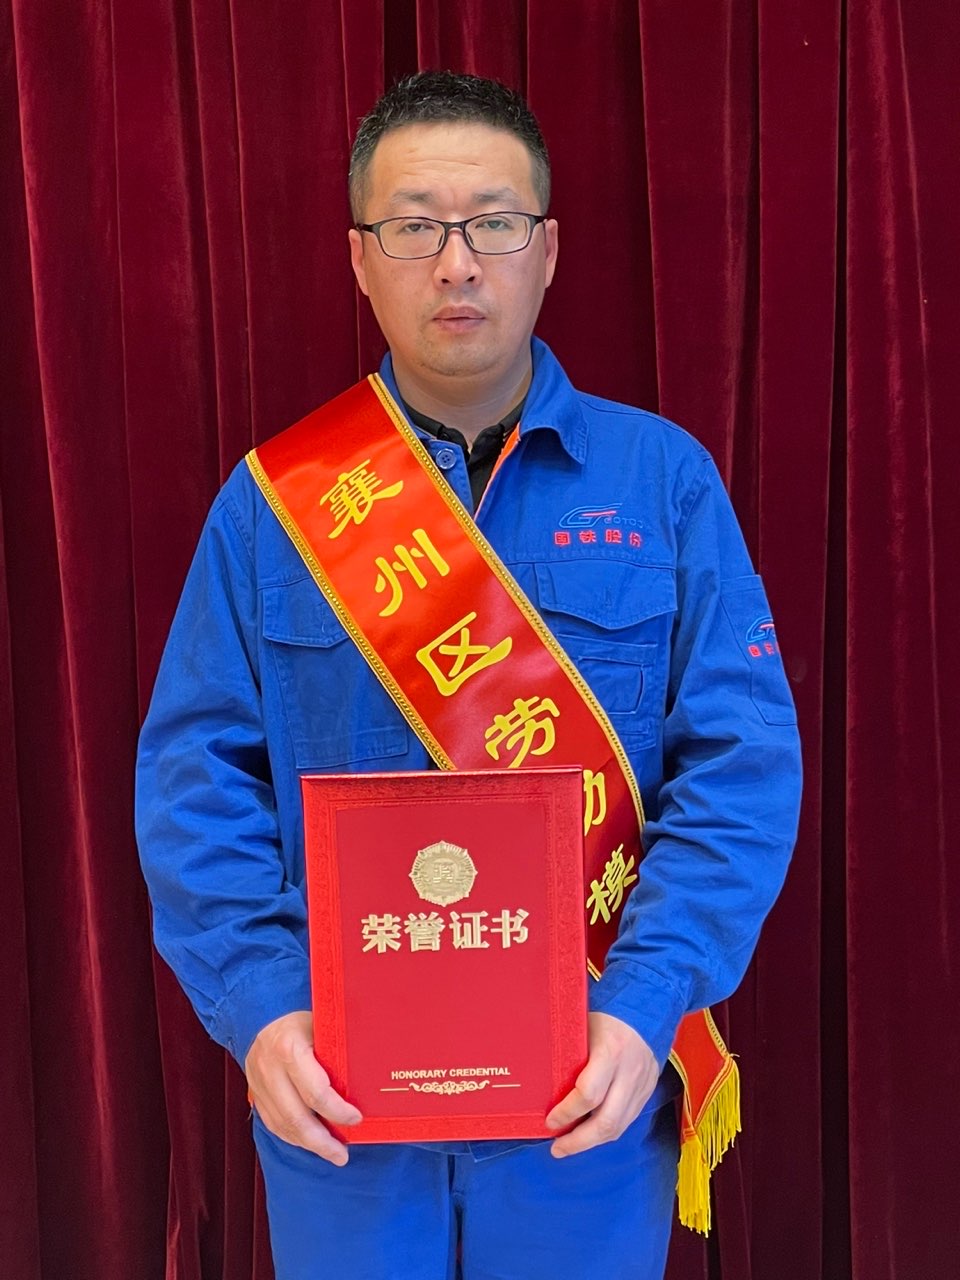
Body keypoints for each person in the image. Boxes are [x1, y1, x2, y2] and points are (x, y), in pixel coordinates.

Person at [136, 70, 802, 1280]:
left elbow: (741, 767)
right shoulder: (278, 504)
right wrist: (260, 1003)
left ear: (546, 249)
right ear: (359, 257)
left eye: (493, 222)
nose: (456, 264)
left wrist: (646, 999)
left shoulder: (663, 480)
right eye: (414, 226)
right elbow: (196, 779)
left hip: (588, 1084)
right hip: (341, 1100)